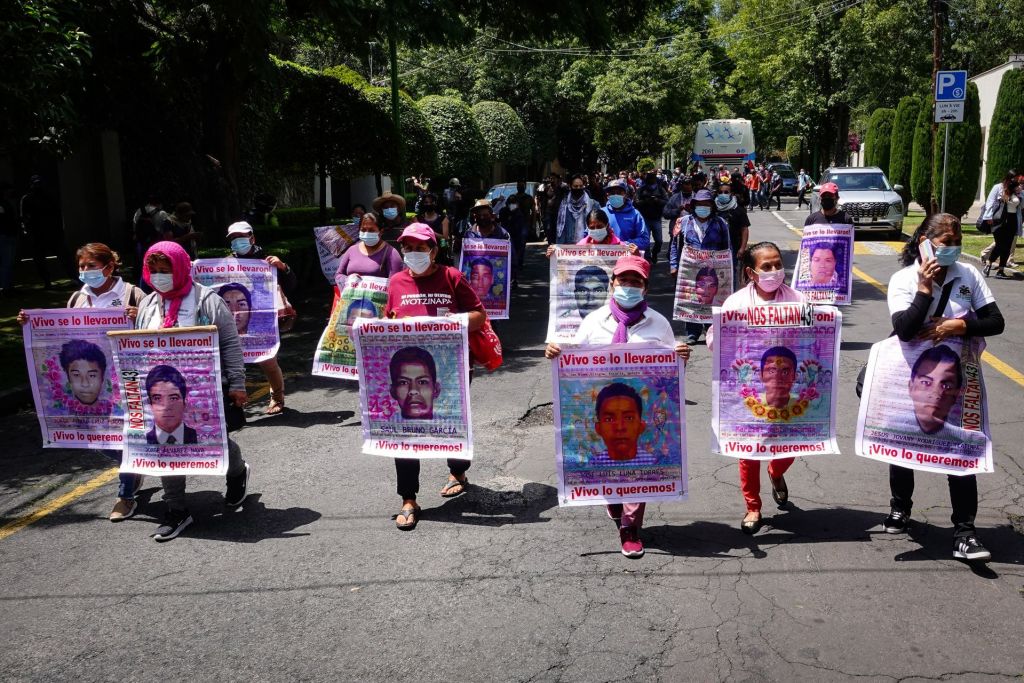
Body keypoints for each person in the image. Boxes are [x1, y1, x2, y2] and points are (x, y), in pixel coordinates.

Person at [545, 254, 690, 558]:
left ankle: (630, 527)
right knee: (609, 470)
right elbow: (575, 368)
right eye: (623, 280)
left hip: (638, 412)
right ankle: (611, 496)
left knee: (638, 467)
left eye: (635, 281)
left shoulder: (659, 324)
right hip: (605, 411)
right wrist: (557, 353)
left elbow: (669, 379)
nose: (628, 285)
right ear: (612, 284)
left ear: (645, 288)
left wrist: (680, 358)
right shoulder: (593, 321)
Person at [883, 213, 1005, 562]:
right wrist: (924, 288)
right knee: (904, 441)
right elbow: (905, 329)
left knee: (960, 447)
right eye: (944, 242)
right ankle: (900, 507)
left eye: (956, 243)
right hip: (910, 374)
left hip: (956, 380)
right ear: (924, 240)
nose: (951, 248)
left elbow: (995, 321)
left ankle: (965, 532)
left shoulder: (970, 276)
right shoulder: (903, 279)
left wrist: (955, 326)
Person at [18, 242, 145, 522]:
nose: (85, 271)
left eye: (91, 265)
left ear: (109, 267)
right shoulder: (78, 298)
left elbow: (152, 329)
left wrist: (139, 319)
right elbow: (66, 335)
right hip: (91, 384)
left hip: (126, 378)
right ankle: (134, 466)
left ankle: (125, 497)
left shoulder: (131, 293)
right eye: (82, 266)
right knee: (101, 439)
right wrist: (29, 323)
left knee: (123, 434)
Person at [134, 241, 252, 542]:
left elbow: (229, 343)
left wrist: (237, 384)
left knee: (213, 441)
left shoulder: (207, 301)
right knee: (164, 444)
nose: (160, 277)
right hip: (160, 391)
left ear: (182, 268)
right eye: (155, 271)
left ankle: (237, 471)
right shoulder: (148, 304)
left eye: (166, 270)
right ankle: (177, 510)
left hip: (204, 388)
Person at [383, 223, 486, 531]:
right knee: (406, 432)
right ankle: (408, 498)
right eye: (408, 247)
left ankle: (458, 471)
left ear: (433, 250)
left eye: (420, 247)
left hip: (452, 369)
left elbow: (480, 316)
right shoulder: (395, 282)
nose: (414, 253)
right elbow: (387, 321)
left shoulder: (451, 277)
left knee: (452, 423)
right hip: (409, 374)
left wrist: (454, 320)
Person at [708, 241, 806, 535]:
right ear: (751, 272)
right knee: (748, 452)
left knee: (787, 446)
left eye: (778, 264)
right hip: (749, 394)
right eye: (767, 267)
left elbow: (814, 343)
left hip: (787, 392)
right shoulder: (736, 304)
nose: (775, 271)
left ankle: (776, 473)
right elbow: (714, 341)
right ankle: (753, 507)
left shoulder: (799, 301)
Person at [227, 221, 298, 415]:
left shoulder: (267, 260)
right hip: (235, 321)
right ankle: (233, 405)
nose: (237, 242)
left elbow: (291, 286)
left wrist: (283, 268)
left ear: (252, 238)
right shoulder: (225, 264)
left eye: (241, 237)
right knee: (232, 363)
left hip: (264, 321)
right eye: (233, 239)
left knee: (268, 361)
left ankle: (277, 397)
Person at [669, 189, 731, 344]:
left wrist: (727, 268)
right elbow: (674, 245)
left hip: (714, 270)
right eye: (699, 204)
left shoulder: (721, 223)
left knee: (712, 297)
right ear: (694, 205)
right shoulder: (683, 222)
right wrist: (673, 265)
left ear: (712, 206)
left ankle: (711, 330)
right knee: (692, 297)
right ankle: (692, 332)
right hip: (690, 268)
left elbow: (727, 247)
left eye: (706, 204)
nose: (702, 207)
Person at [20, 175, 77, 288]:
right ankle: (48, 281)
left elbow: (58, 214)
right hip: (39, 233)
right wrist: (27, 231)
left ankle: (73, 277)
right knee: (41, 259)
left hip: (51, 232)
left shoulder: (48, 197)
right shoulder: (29, 198)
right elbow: (24, 218)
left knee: (63, 256)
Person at [907, 345, 962, 436]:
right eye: (926, 382)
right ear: (910, 387)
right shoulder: (889, 427)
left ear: (957, 394)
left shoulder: (966, 437)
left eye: (946, 386)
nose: (936, 393)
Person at [336, 211, 404, 279]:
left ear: (381, 231)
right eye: (363, 230)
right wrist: (348, 280)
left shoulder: (391, 253)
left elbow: (395, 283)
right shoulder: (351, 250)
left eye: (371, 230)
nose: (366, 233)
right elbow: (339, 275)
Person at [144, 365, 198, 445]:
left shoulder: (200, 438)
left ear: (185, 402)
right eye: (157, 398)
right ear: (150, 404)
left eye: (173, 398)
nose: (166, 407)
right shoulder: (142, 440)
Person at [980, 172, 1020, 279]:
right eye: (1014, 178)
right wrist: (988, 217)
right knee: (1000, 244)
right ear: (1009, 178)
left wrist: (1020, 193)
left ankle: (1001, 270)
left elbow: (1021, 205)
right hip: (999, 220)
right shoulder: (998, 187)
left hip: (1012, 220)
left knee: (1007, 246)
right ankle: (989, 264)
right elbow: (990, 201)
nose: (1016, 180)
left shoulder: (1018, 190)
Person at [389, 347, 441, 420]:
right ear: (393, 391)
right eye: (403, 382)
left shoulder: (453, 427)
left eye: (422, 382)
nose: (413, 390)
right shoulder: (381, 428)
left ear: (436, 389)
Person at [603, 180, 651, 255]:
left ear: (625, 194)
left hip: (627, 259)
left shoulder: (635, 214)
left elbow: (644, 240)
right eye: (612, 193)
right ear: (607, 195)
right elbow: (588, 235)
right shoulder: (601, 213)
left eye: (619, 192)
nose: (615, 195)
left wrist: (626, 244)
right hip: (605, 258)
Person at [715, 180, 750, 280]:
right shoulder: (713, 209)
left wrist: (742, 248)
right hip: (715, 248)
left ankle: (730, 293)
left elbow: (744, 229)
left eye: (726, 192)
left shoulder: (738, 210)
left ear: (732, 194)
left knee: (730, 272)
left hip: (733, 248)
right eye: (721, 192)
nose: (723, 194)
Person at [59, 339, 108, 407]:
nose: (85, 384)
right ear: (68, 377)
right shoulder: (59, 410)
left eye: (92, 375)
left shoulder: (117, 411)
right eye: (76, 375)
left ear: (102, 377)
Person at [634, 171, 669, 264]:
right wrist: (646, 201)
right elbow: (636, 202)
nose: (651, 180)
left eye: (653, 178)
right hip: (644, 218)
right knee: (646, 240)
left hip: (657, 218)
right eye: (649, 178)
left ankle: (655, 253)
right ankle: (648, 257)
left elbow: (667, 201)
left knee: (659, 240)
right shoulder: (641, 190)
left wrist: (657, 200)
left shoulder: (661, 190)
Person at [132, 195, 169, 282]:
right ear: (160, 204)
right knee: (155, 262)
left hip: (140, 243)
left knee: (142, 263)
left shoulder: (139, 211)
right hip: (155, 242)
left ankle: (142, 280)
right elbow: (164, 229)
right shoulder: (162, 213)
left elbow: (134, 226)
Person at [554, 174, 599, 245]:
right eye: (575, 186)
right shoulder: (564, 205)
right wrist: (559, 248)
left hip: (589, 246)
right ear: (570, 186)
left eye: (581, 186)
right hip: (570, 248)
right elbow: (561, 229)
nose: (578, 188)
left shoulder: (593, 204)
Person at [415, 192, 451, 265]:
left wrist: (430, 232)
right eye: (426, 202)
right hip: (422, 252)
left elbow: (445, 237)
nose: (429, 204)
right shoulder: (418, 219)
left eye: (431, 202)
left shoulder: (443, 219)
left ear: (435, 203)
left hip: (439, 253)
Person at [0, 182, 17, 294]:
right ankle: (6, 287)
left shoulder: (6, 203)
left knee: (9, 261)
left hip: (8, 234)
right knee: (6, 261)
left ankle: (8, 286)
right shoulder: (2, 204)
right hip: (5, 234)